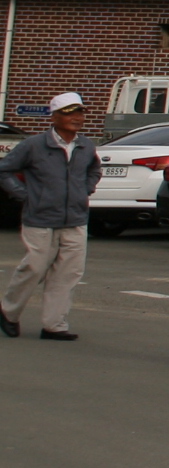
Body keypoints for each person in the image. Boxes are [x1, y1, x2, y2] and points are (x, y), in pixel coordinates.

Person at [0, 90, 99, 341]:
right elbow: (4, 170)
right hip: (40, 219)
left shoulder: (86, 146)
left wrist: (85, 189)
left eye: (80, 112)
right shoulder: (34, 145)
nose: (76, 117)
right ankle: (8, 313)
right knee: (34, 267)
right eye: (69, 113)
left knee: (68, 273)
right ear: (54, 117)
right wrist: (26, 195)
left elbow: (94, 170)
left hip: (75, 219)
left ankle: (54, 325)